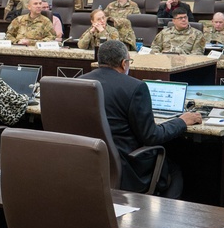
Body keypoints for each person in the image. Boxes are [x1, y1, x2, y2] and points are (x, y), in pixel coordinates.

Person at [79, 41, 202, 198]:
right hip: (127, 168)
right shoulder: (135, 87)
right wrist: (181, 121)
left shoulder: (80, 81)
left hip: (88, 163)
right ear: (124, 63)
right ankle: (163, 219)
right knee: (175, 169)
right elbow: (151, 136)